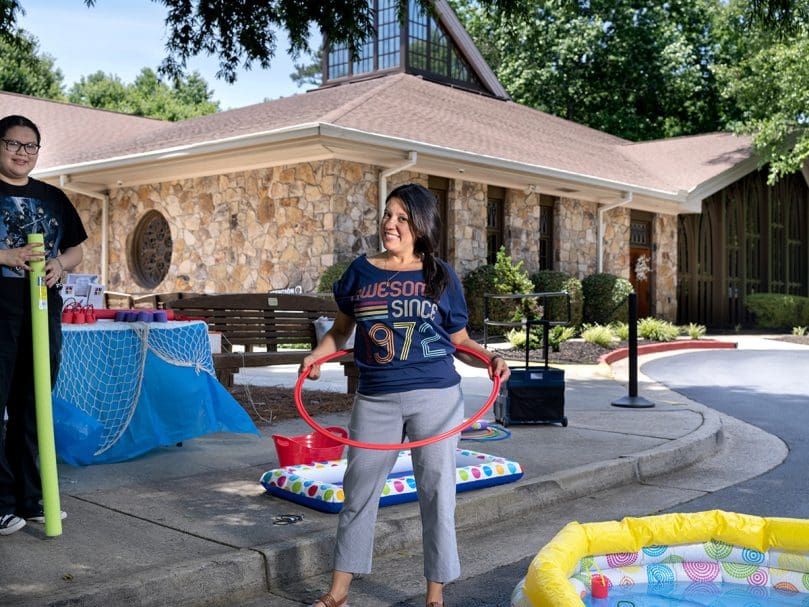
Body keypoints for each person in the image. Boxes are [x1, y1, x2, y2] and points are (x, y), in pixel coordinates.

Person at [300, 183, 510, 607]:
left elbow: (460, 339)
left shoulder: (440, 274)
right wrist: (314, 356)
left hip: (436, 396)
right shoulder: (361, 271)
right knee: (359, 492)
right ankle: (338, 592)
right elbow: (341, 333)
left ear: (420, 225)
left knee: (437, 492)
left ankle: (435, 595)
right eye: (387, 215)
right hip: (376, 397)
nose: (390, 224)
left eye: (401, 217)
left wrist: (490, 358)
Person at [0, 115, 88, 535]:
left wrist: (58, 263)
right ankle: (0, 502)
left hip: (40, 309)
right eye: (13, 144)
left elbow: (76, 251)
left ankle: (31, 498)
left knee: (34, 405)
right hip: (1, 315)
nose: (22, 152)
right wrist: (7, 256)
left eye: (30, 146)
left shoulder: (52, 197)